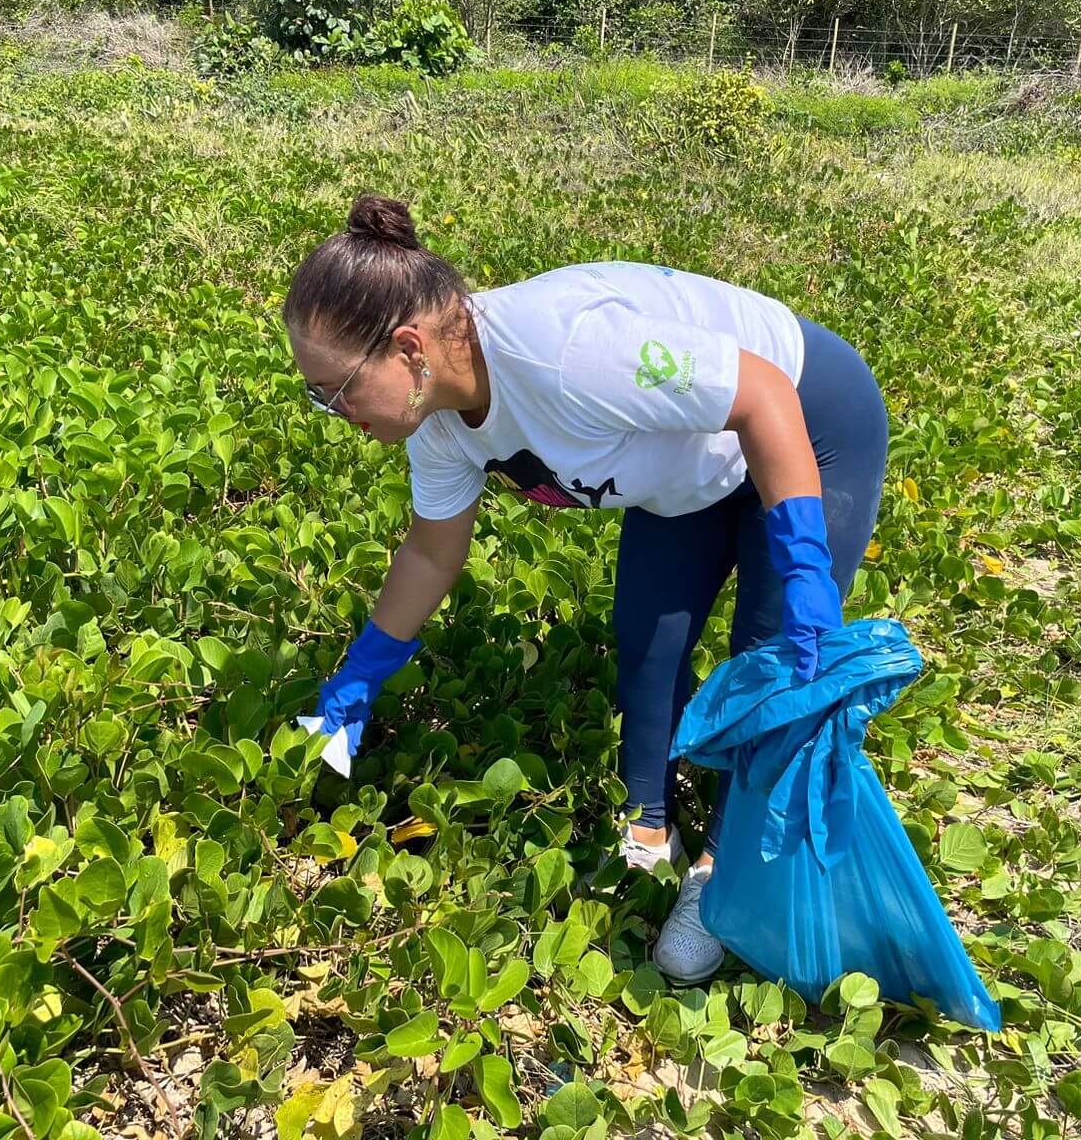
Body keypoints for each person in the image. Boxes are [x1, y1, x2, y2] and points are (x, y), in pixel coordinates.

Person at [285, 195, 888, 983]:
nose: (334, 412)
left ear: (407, 348)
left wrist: (806, 572)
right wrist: (361, 672)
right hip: (687, 464)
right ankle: (649, 828)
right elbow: (433, 554)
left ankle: (725, 870)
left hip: (807, 417)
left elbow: (763, 396)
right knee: (645, 644)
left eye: (336, 390)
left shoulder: (564, 354)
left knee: (773, 663)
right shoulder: (433, 418)